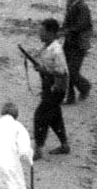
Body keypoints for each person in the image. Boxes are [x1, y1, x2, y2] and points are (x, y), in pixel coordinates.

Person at [26, 19, 73, 155]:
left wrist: (43, 70)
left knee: (40, 116)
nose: (40, 34)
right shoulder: (48, 46)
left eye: (42, 32)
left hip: (56, 88)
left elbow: (62, 72)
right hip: (51, 87)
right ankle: (64, 145)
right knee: (54, 117)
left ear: (51, 33)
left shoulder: (56, 50)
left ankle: (38, 149)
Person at [62, 0, 95, 100]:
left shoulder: (82, 7)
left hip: (79, 44)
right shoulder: (71, 3)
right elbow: (67, 21)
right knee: (66, 68)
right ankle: (69, 95)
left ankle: (85, 87)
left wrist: (65, 31)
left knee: (72, 72)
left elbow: (80, 26)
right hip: (70, 41)